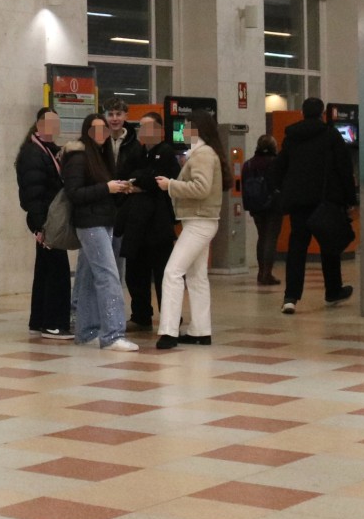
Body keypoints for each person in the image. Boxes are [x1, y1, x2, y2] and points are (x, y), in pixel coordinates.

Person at [60, 112, 139, 352]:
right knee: (108, 276)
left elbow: (101, 191)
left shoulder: (102, 156)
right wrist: (107, 188)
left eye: (103, 129)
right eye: (95, 129)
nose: (100, 133)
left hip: (104, 221)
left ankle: (87, 332)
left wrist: (120, 189)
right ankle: (113, 335)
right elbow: (74, 193)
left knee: (87, 278)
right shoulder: (78, 157)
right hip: (90, 224)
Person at [271, 97, 356, 313]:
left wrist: (281, 190)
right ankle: (333, 290)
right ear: (323, 114)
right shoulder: (331, 135)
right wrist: (350, 199)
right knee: (330, 245)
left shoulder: (291, 137)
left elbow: (279, 167)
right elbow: (344, 168)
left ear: (302, 113)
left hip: (298, 202)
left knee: (297, 248)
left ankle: (290, 297)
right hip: (325, 201)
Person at [154, 112, 226, 349]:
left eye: (186, 128)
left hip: (199, 222)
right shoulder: (204, 152)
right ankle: (200, 331)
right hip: (202, 220)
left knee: (172, 273)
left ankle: (169, 332)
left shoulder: (203, 154)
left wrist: (170, 185)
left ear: (197, 129)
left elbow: (201, 188)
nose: (182, 132)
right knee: (196, 277)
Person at [116, 114, 182, 332]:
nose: (143, 131)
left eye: (148, 127)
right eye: (141, 127)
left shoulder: (166, 152)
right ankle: (141, 315)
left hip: (158, 223)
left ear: (159, 130)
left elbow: (159, 180)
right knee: (135, 272)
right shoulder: (136, 151)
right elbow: (125, 175)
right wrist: (140, 181)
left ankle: (170, 318)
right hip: (136, 223)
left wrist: (141, 182)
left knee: (163, 272)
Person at [15, 107, 73, 340]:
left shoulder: (47, 149)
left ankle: (39, 320)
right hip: (48, 222)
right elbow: (33, 193)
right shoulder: (33, 153)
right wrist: (41, 227)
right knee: (57, 272)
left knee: (45, 270)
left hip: (49, 220)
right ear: (39, 124)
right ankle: (53, 323)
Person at [241, 133, 282, 288]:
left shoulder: (248, 164)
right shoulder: (275, 163)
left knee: (262, 236)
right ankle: (267, 273)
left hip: (255, 205)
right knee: (271, 238)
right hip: (273, 206)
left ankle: (260, 272)